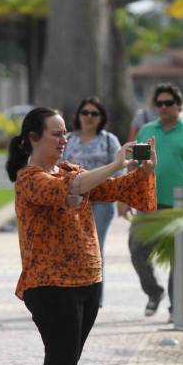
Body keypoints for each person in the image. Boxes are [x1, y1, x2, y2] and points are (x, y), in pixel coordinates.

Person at [6, 107, 156, 365]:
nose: (63, 140)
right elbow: (70, 189)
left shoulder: (72, 171)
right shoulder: (30, 178)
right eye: (56, 134)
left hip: (87, 282)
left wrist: (143, 170)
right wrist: (116, 162)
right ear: (33, 139)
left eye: (64, 134)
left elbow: (115, 190)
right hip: (50, 286)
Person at [119, 82, 183, 322]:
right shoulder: (147, 131)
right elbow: (134, 165)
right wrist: (125, 197)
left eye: (168, 103)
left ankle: (176, 309)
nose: (163, 107)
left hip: (181, 206)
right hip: (147, 203)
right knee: (137, 251)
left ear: (179, 106)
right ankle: (154, 292)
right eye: (159, 104)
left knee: (177, 258)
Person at [62, 97, 122, 307]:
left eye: (94, 113)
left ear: (101, 118)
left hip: (101, 202)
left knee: (94, 247)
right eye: (85, 113)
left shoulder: (109, 140)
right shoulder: (68, 139)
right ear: (78, 116)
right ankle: (73, 292)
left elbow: (119, 170)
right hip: (73, 201)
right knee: (72, 247)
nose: (89, 117)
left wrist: (122, 200)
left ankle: (95, 297)